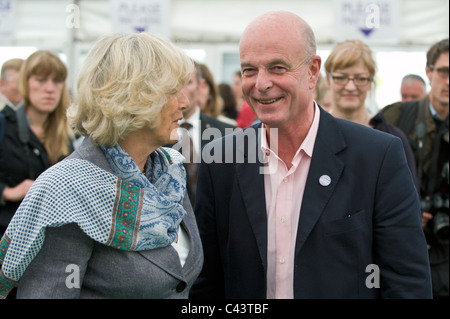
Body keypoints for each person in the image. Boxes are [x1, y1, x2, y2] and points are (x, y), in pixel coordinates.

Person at [190, 10, 432, 299]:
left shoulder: (378, 156)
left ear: (313, 71)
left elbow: (407, 284)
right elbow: (207, 285)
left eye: (277, 68)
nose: (261, 83)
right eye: (249, 70)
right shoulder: (222, 160)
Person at [0, 33, 203, 299]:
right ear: (132, 96)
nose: (185, 102)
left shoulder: (170, 171)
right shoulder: (67, 191)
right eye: (171, 91)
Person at [381, 38, 449, 298]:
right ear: (429, 71)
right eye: (444, 71)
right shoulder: (396, 117)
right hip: (402, 246)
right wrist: (405, 211)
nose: (449, 81)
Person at [0, 51, 74, 239]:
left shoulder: (66, 135)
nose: (50, 88)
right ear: (25, 84)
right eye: (41, 80)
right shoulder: (4, 126)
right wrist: (6, 191)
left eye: (57, 81)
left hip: (51, 243)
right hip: (7, 239)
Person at [324, 39, 417, 185]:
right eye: (341, 77)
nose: (350, 86)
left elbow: (407, 198)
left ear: (370, 82)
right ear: (328, 80)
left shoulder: (391, 137)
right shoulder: (310, 134)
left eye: (360, 79)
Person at [168, 61, 236, 205]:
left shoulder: (227, 133)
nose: (180, 91)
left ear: (201, 85)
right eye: (173, 84)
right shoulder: (155, 137)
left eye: (187, 82)